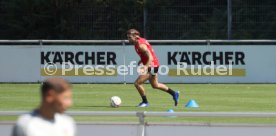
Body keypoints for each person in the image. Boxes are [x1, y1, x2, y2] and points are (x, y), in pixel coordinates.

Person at [127, 29, 180, 107]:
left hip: (152, 66)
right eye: (128, 37)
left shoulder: (140, 45)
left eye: (129, 37)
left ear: (135, 37)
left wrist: (145, 66)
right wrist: (141, 60)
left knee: (137, 83)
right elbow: (150, 51)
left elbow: (150, 57)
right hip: (154, 65)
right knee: (155, 85)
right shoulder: (140, 41)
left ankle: (145, 102)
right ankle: (174, 93)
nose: (128, 39)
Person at [11, 78, 76, 136]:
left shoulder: (67, 123)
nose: (70, 103)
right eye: (65, 98)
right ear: (49, 95)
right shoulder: (25, 125)